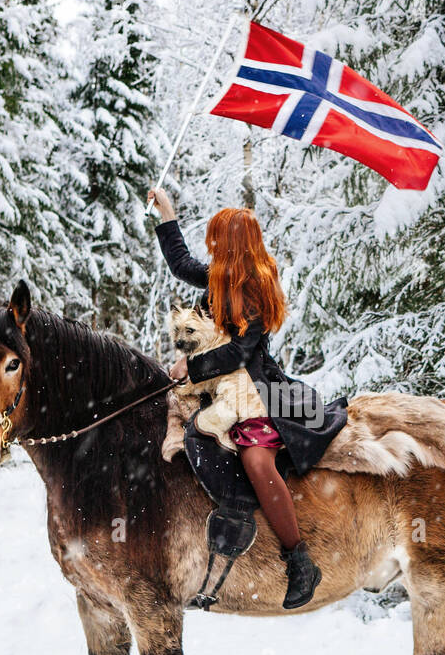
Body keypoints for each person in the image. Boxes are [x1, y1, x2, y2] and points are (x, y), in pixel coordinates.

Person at [149, 186, 348, 609]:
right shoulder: (221, 278)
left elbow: (240, 351)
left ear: (235, 246)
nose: (212, 248)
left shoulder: (256, 286)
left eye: (218, 241)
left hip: (257, 390)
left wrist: (193, 366)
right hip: (219, 388)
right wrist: (166, 216)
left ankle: (299, 560)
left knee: (256, 459)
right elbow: (182, 264)